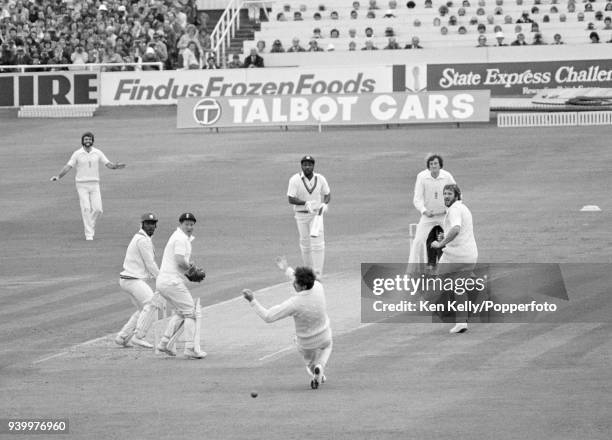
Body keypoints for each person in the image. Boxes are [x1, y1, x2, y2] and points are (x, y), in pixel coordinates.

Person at [242, 257, 332, 389]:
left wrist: (252, 300)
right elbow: (304, 279)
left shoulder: (294, 303)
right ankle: (321, 367)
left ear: (302, 286)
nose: (293, 283)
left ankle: (316, 370)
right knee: (328, 346)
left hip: (305, 343)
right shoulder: (318, 287)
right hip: (324, 335)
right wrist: (286, 269)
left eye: (296, 282)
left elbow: (268, 317)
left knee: (310, 364)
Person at [50, 132, 126, 240]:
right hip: (81, 184)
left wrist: (115, 167)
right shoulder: (77, 153)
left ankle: (90, 226)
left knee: (98, 209)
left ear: (92, 141)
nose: (87, 141)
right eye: (85, 140)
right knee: (86, 208)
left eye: (89, 139)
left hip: (94, 184)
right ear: (82, 141)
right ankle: (89, 235)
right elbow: (68, 166)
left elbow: (108, 164)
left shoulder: (97, 152)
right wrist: (58, 176)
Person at [155, 213, 207, 359]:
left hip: (164, 281)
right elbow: (179, 260)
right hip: (171, 282)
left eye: (192, 224)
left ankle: (164, 343)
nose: (190, 227)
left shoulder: (179, 237)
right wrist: (192, 269)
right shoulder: (180, 239)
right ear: (181, 224)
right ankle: (190, 348)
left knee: (181, 312)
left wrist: (189, 268)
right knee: (191, 312)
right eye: (187, 224)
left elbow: (179, 262)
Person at [431, 184, 478, 334]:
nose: (446, 196)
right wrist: (445, 236)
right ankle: (461, 322)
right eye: (444, 193)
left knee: (438, 282)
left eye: (449, 193)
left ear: (456, 196)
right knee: (459, 288)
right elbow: (458, 230)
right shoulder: (463, 208)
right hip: (470, 255)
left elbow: (456, 229)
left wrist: (440, 243)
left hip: (455, 256)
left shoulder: (454, 209)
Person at [115, 212, 164, 349]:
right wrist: (161, 279)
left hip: (128, 280)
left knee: (143, 309)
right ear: (142, 225)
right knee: (153, 302)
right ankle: (139, 336)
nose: (151, 227)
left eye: (153, 224)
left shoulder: (143, 238)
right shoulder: (142, 240)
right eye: (148, 224)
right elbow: (150, 264)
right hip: (132, 279)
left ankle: (123, 336)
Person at [408, 154, 456, 273]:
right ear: (428, 166)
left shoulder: (447, 176)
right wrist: (424, 211)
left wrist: (449, 209)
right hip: (428, 216)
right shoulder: (422, 176)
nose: (433, 166)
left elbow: (458, 194)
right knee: (418, 241)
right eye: (431, 164)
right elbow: (417, 199)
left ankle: (456, 269)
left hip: (444, 215)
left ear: (440, 165)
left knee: (453, 240)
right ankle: (410, 272)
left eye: (435, 163)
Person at [287, 156, 331, 278]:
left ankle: (318, 275)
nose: (307, 167)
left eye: (309, 164)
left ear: (313, 166)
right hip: (301, 215)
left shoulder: (320, 178)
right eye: (305, 164)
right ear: (301, 166)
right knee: (305, 244)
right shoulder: (295, 179)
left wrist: (324, 203)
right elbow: (290, 198)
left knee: (318, 244)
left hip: (316, 215)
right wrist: (304, 203)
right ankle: (309, 273)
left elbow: (327, 194)